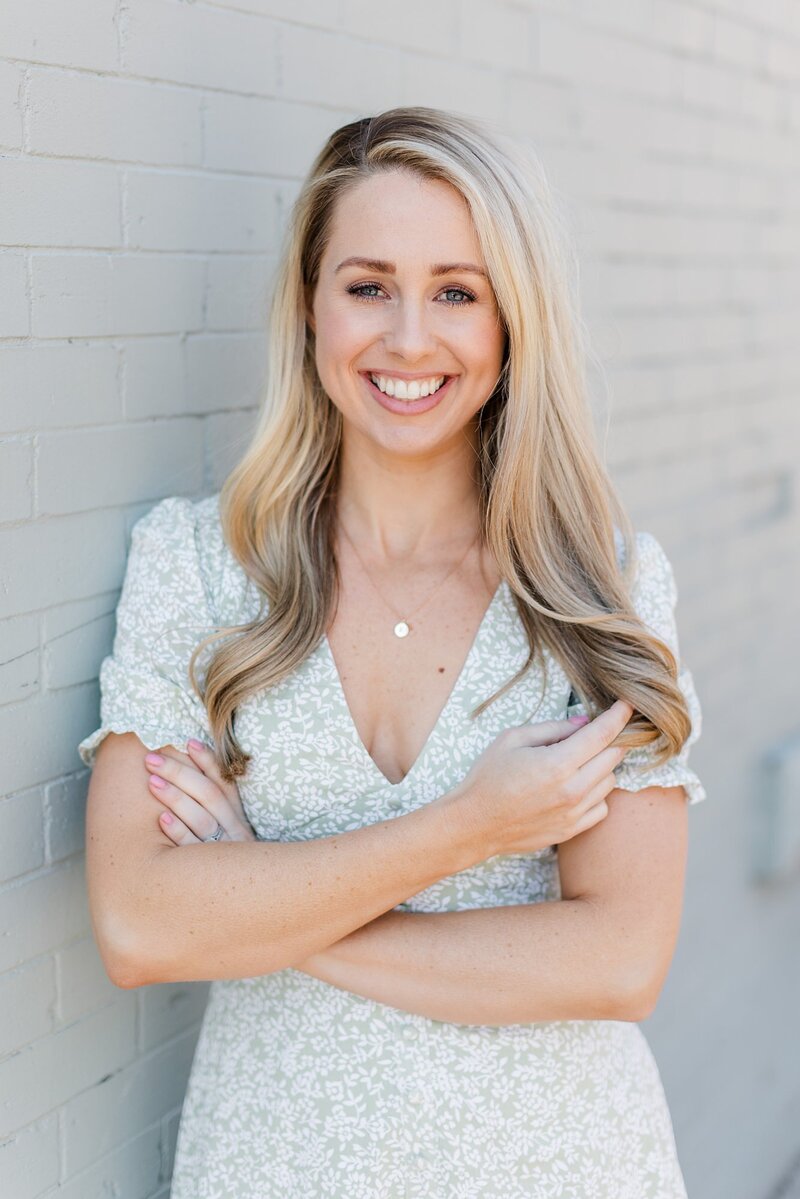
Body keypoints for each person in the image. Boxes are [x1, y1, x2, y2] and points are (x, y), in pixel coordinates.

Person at [78, 106, 707, 1198]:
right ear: (309, 306)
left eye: (456, 291)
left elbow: (617, 959)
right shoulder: (196, 565)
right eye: (367, 284)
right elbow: (139, 923)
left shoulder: (598, 587)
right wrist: (468, 825)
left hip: (553, 1163)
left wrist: (264, 913)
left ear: (512, 321)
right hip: (275, 1164)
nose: (408, 337)